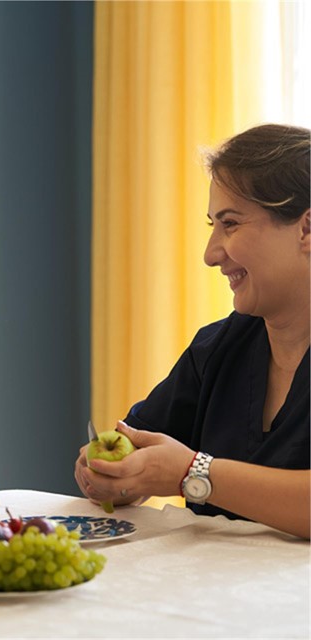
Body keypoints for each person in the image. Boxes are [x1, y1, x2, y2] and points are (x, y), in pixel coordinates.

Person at [75, 123, 310, 540]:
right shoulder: (218, 349)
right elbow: (141, 451)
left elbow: (182, 469)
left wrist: (192, 473)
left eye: (231, 224)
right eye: (212, 227)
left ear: (306, 229)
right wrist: (116, 475)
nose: (210, 254)